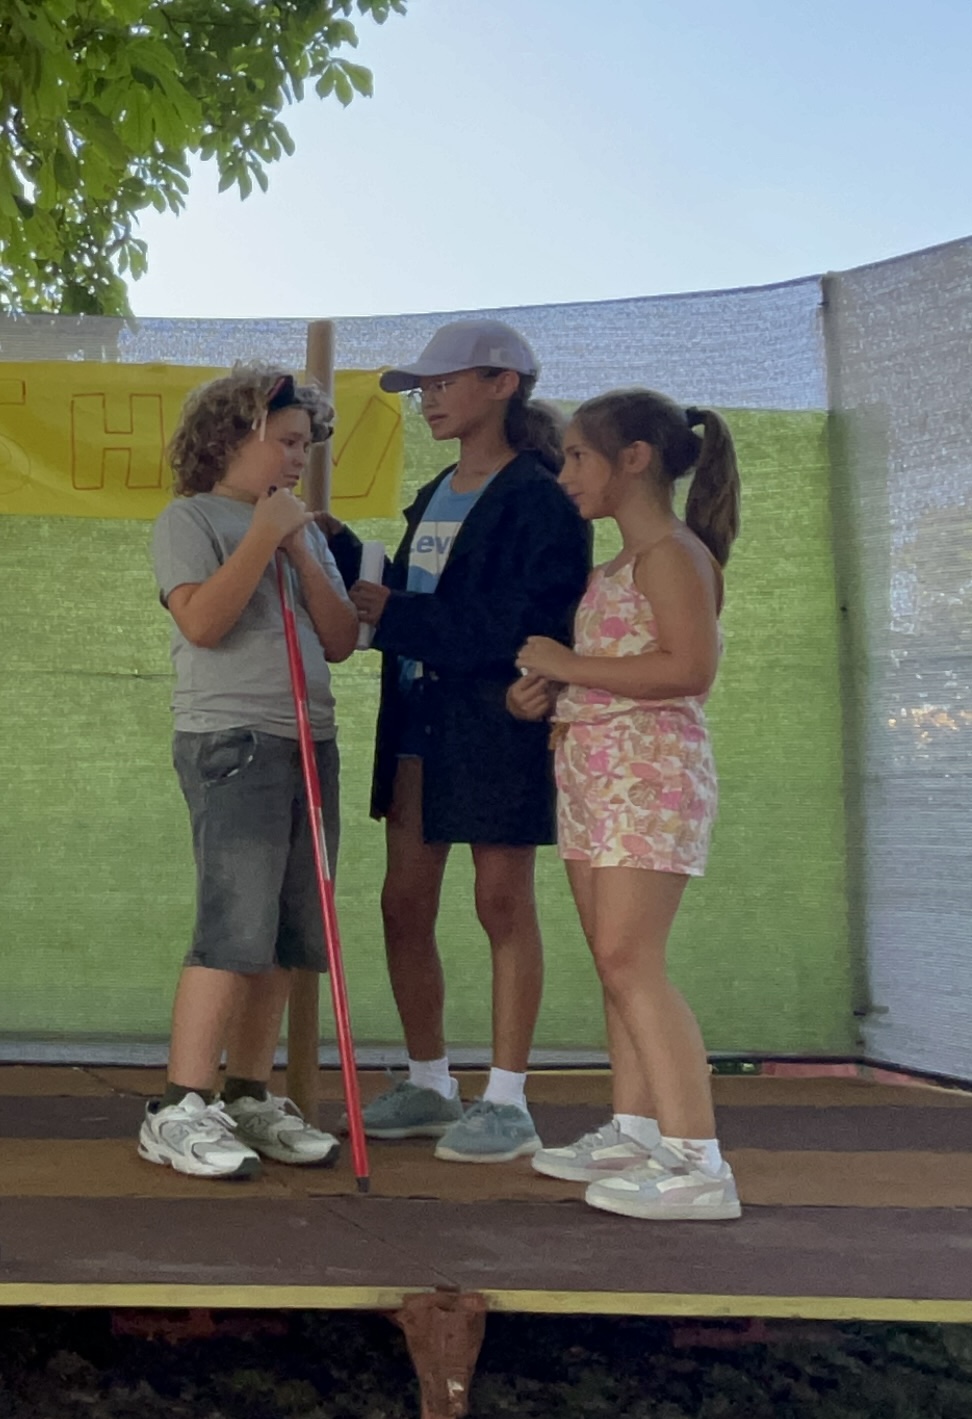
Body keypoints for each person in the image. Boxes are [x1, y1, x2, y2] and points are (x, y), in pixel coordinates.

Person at [326, 318, 590, 1163]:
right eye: (423, 388)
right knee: (402, 902)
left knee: (500, 900)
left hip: (498, 722)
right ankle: (430, 1081)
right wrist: (339, 551)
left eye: (444, 383)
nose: (430, 399)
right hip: (416, 717)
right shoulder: (437, 487)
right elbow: (410, 597)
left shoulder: (541, 498)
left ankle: (507, 1098)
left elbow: (527, 625)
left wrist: (400, 614)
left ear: (503, 384)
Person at [510, 387, 742, 1219]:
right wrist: (547, 694)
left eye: (578, 455)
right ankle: (637, 1128)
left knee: (630, 959)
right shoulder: (615, 566)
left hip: (650, 777)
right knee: (614, 961)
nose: (566, 472)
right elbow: (623, 666)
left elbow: (689, 668)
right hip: (595, 778)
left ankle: (697, 1159)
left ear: (634, 458)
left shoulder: (674, 554)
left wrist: (570, 667)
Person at [139, 366, 359, 1179]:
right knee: (234, 922)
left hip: (309, 739)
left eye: (307, 445)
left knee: (288, 932)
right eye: (288, 442)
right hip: (232, 740)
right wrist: (263, 537)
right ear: (234, 436)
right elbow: (202, 621)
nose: (301, 458)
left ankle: (248, 1092)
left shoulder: (302, 531)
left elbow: (340, 638)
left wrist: (300, 547)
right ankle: (179, 1104)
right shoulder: (190, 519)